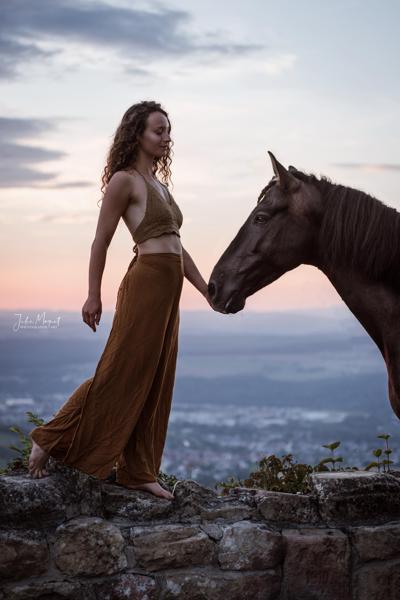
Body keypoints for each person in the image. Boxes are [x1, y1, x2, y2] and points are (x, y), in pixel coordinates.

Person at [28, 100, 213, 500]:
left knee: (157, 376)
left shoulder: (161, 184)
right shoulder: (124, 181)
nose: (166, 138)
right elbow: (101, 241)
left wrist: (206, 289)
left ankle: (138, 471)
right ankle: (49, 436)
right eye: (158, 130)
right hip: (145, 285)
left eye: (168, 131)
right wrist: (93, 294)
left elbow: (178, 247)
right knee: (122, 369)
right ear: (137, 135)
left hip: (169, 290)